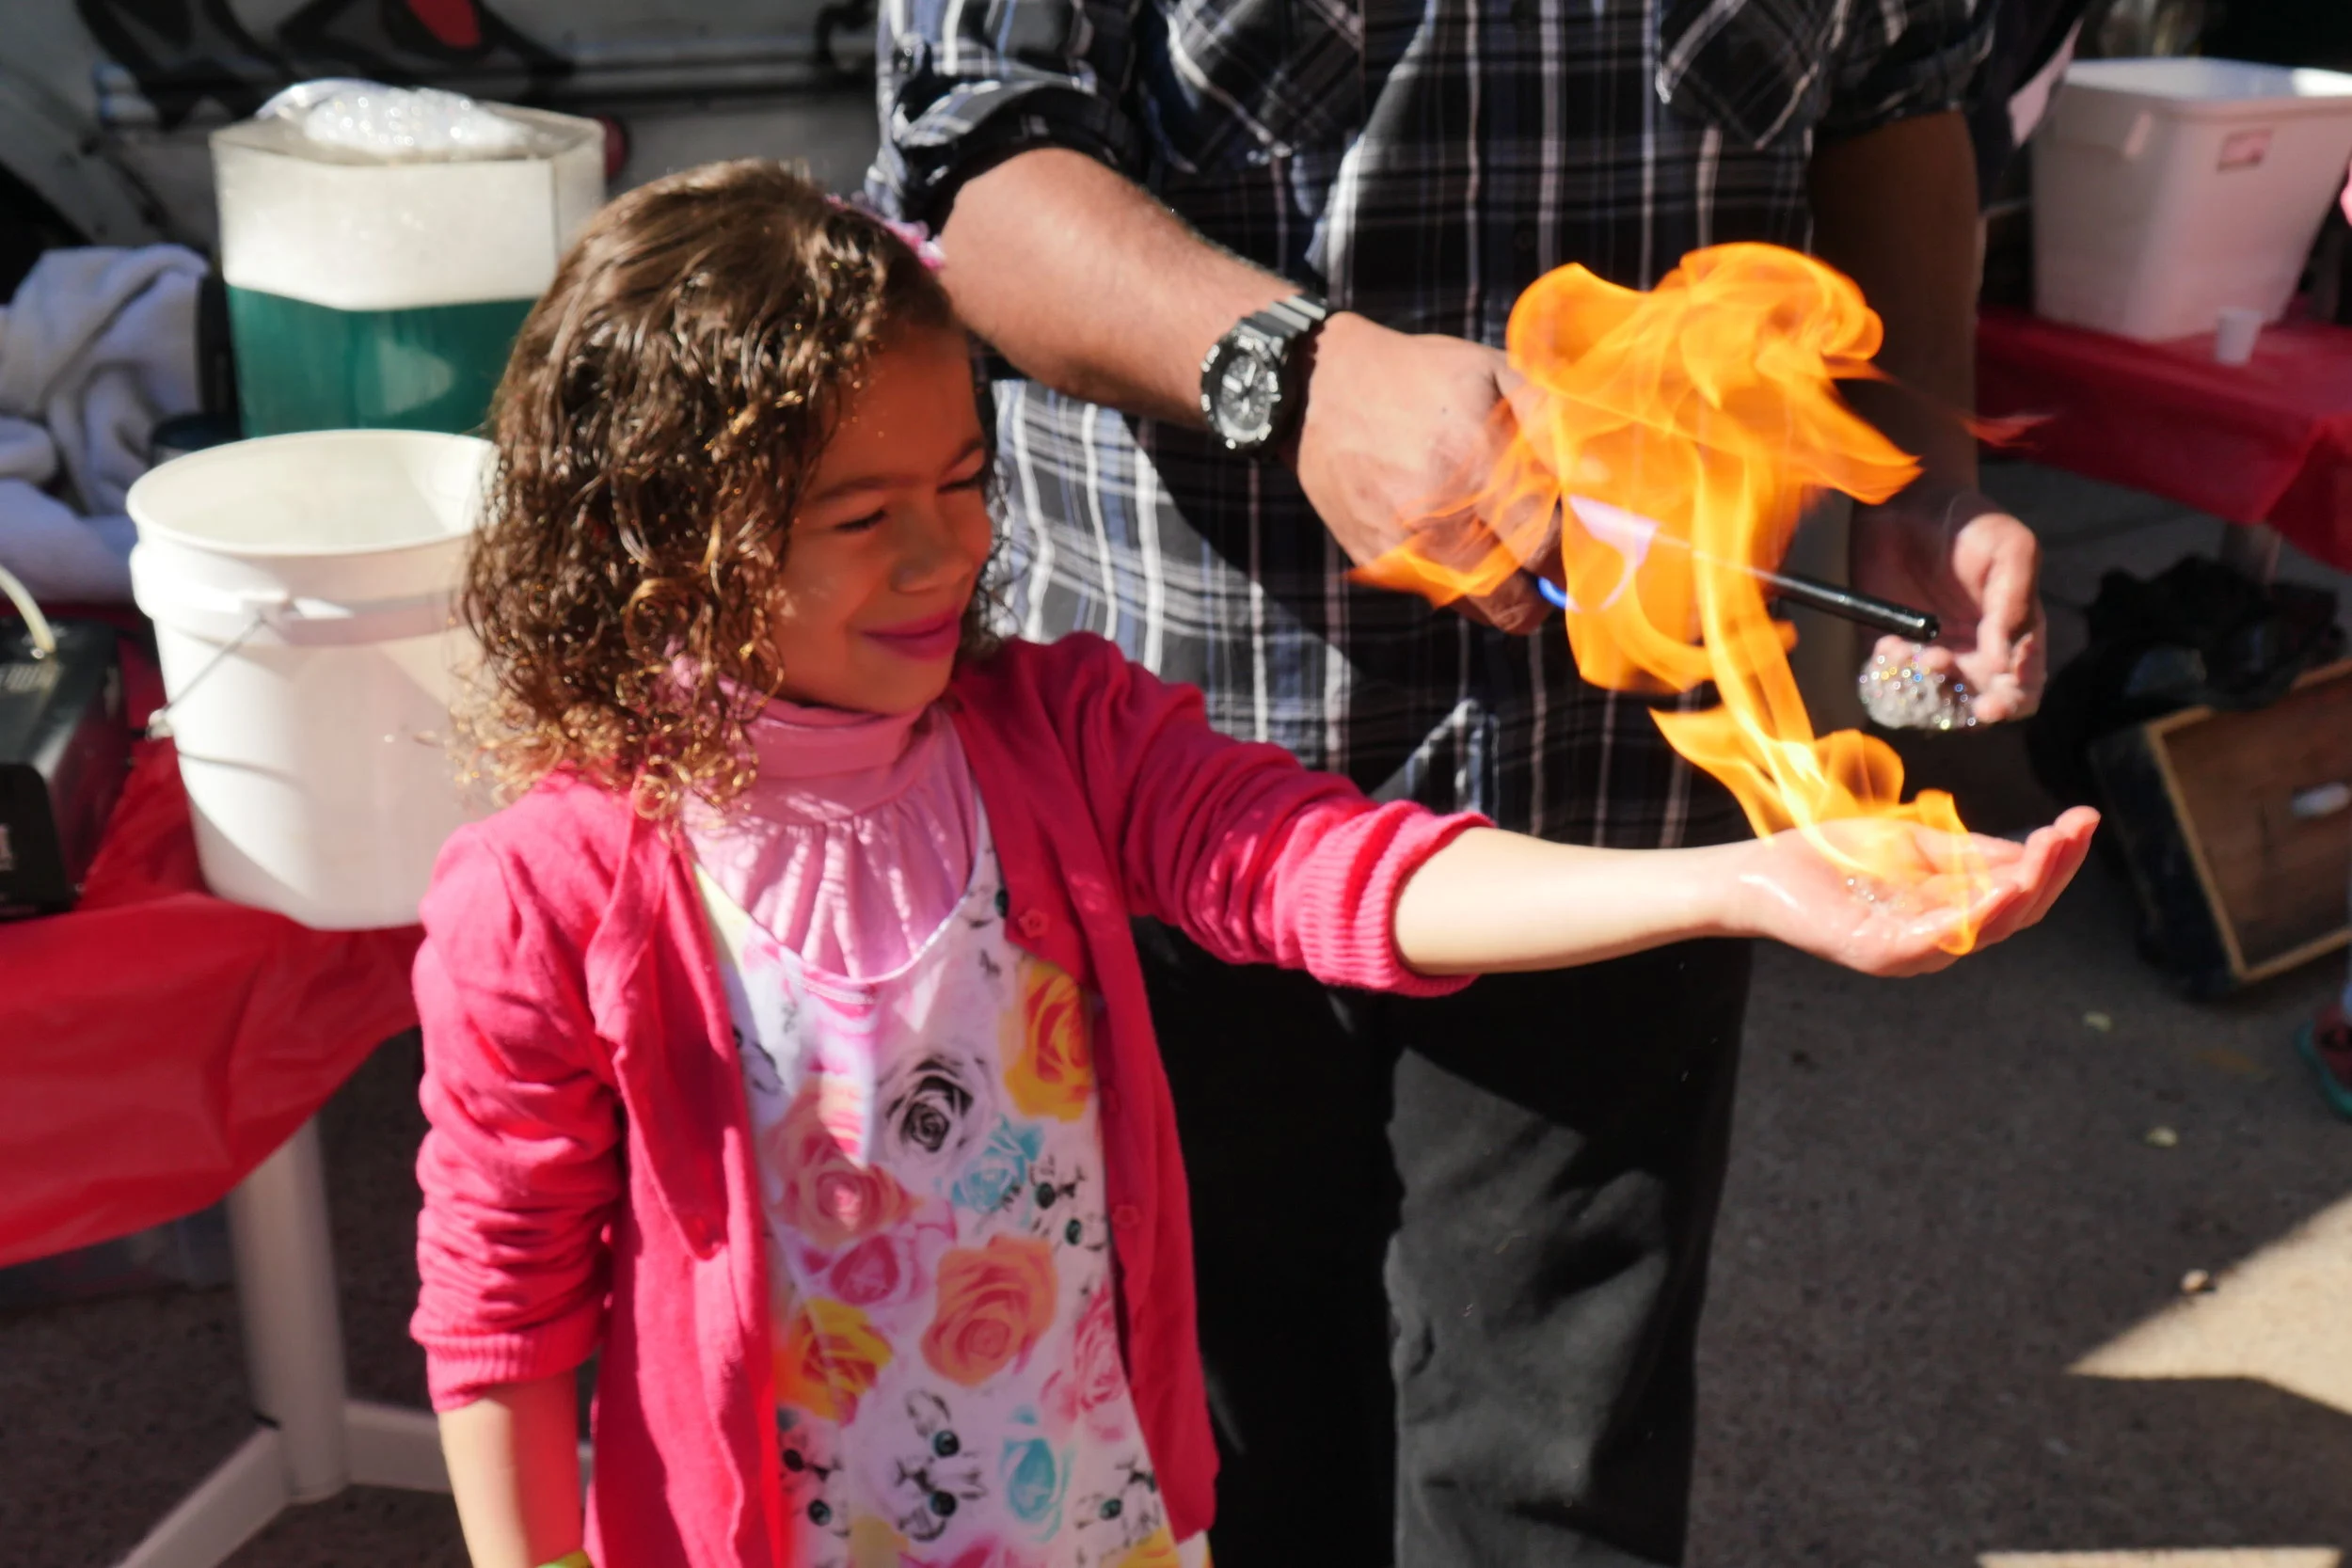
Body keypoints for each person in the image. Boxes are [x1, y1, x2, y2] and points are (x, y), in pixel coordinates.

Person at [407, 160, 2090, 1568]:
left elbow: (1336, 871)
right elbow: (499, 1302)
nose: (947, 551)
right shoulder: (548, 892)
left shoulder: (1052, 741)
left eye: (965, 480)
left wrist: (1743, 880)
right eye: (863, 517)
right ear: (659, 542)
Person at [863, 1, 2054, 1562]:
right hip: (1193, 784)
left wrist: (1911, 476)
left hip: (1625, 781)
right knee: (1227, 1438)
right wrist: (1293, 371)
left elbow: (1905, 97)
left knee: (1556, 1468)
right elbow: (976, 149)